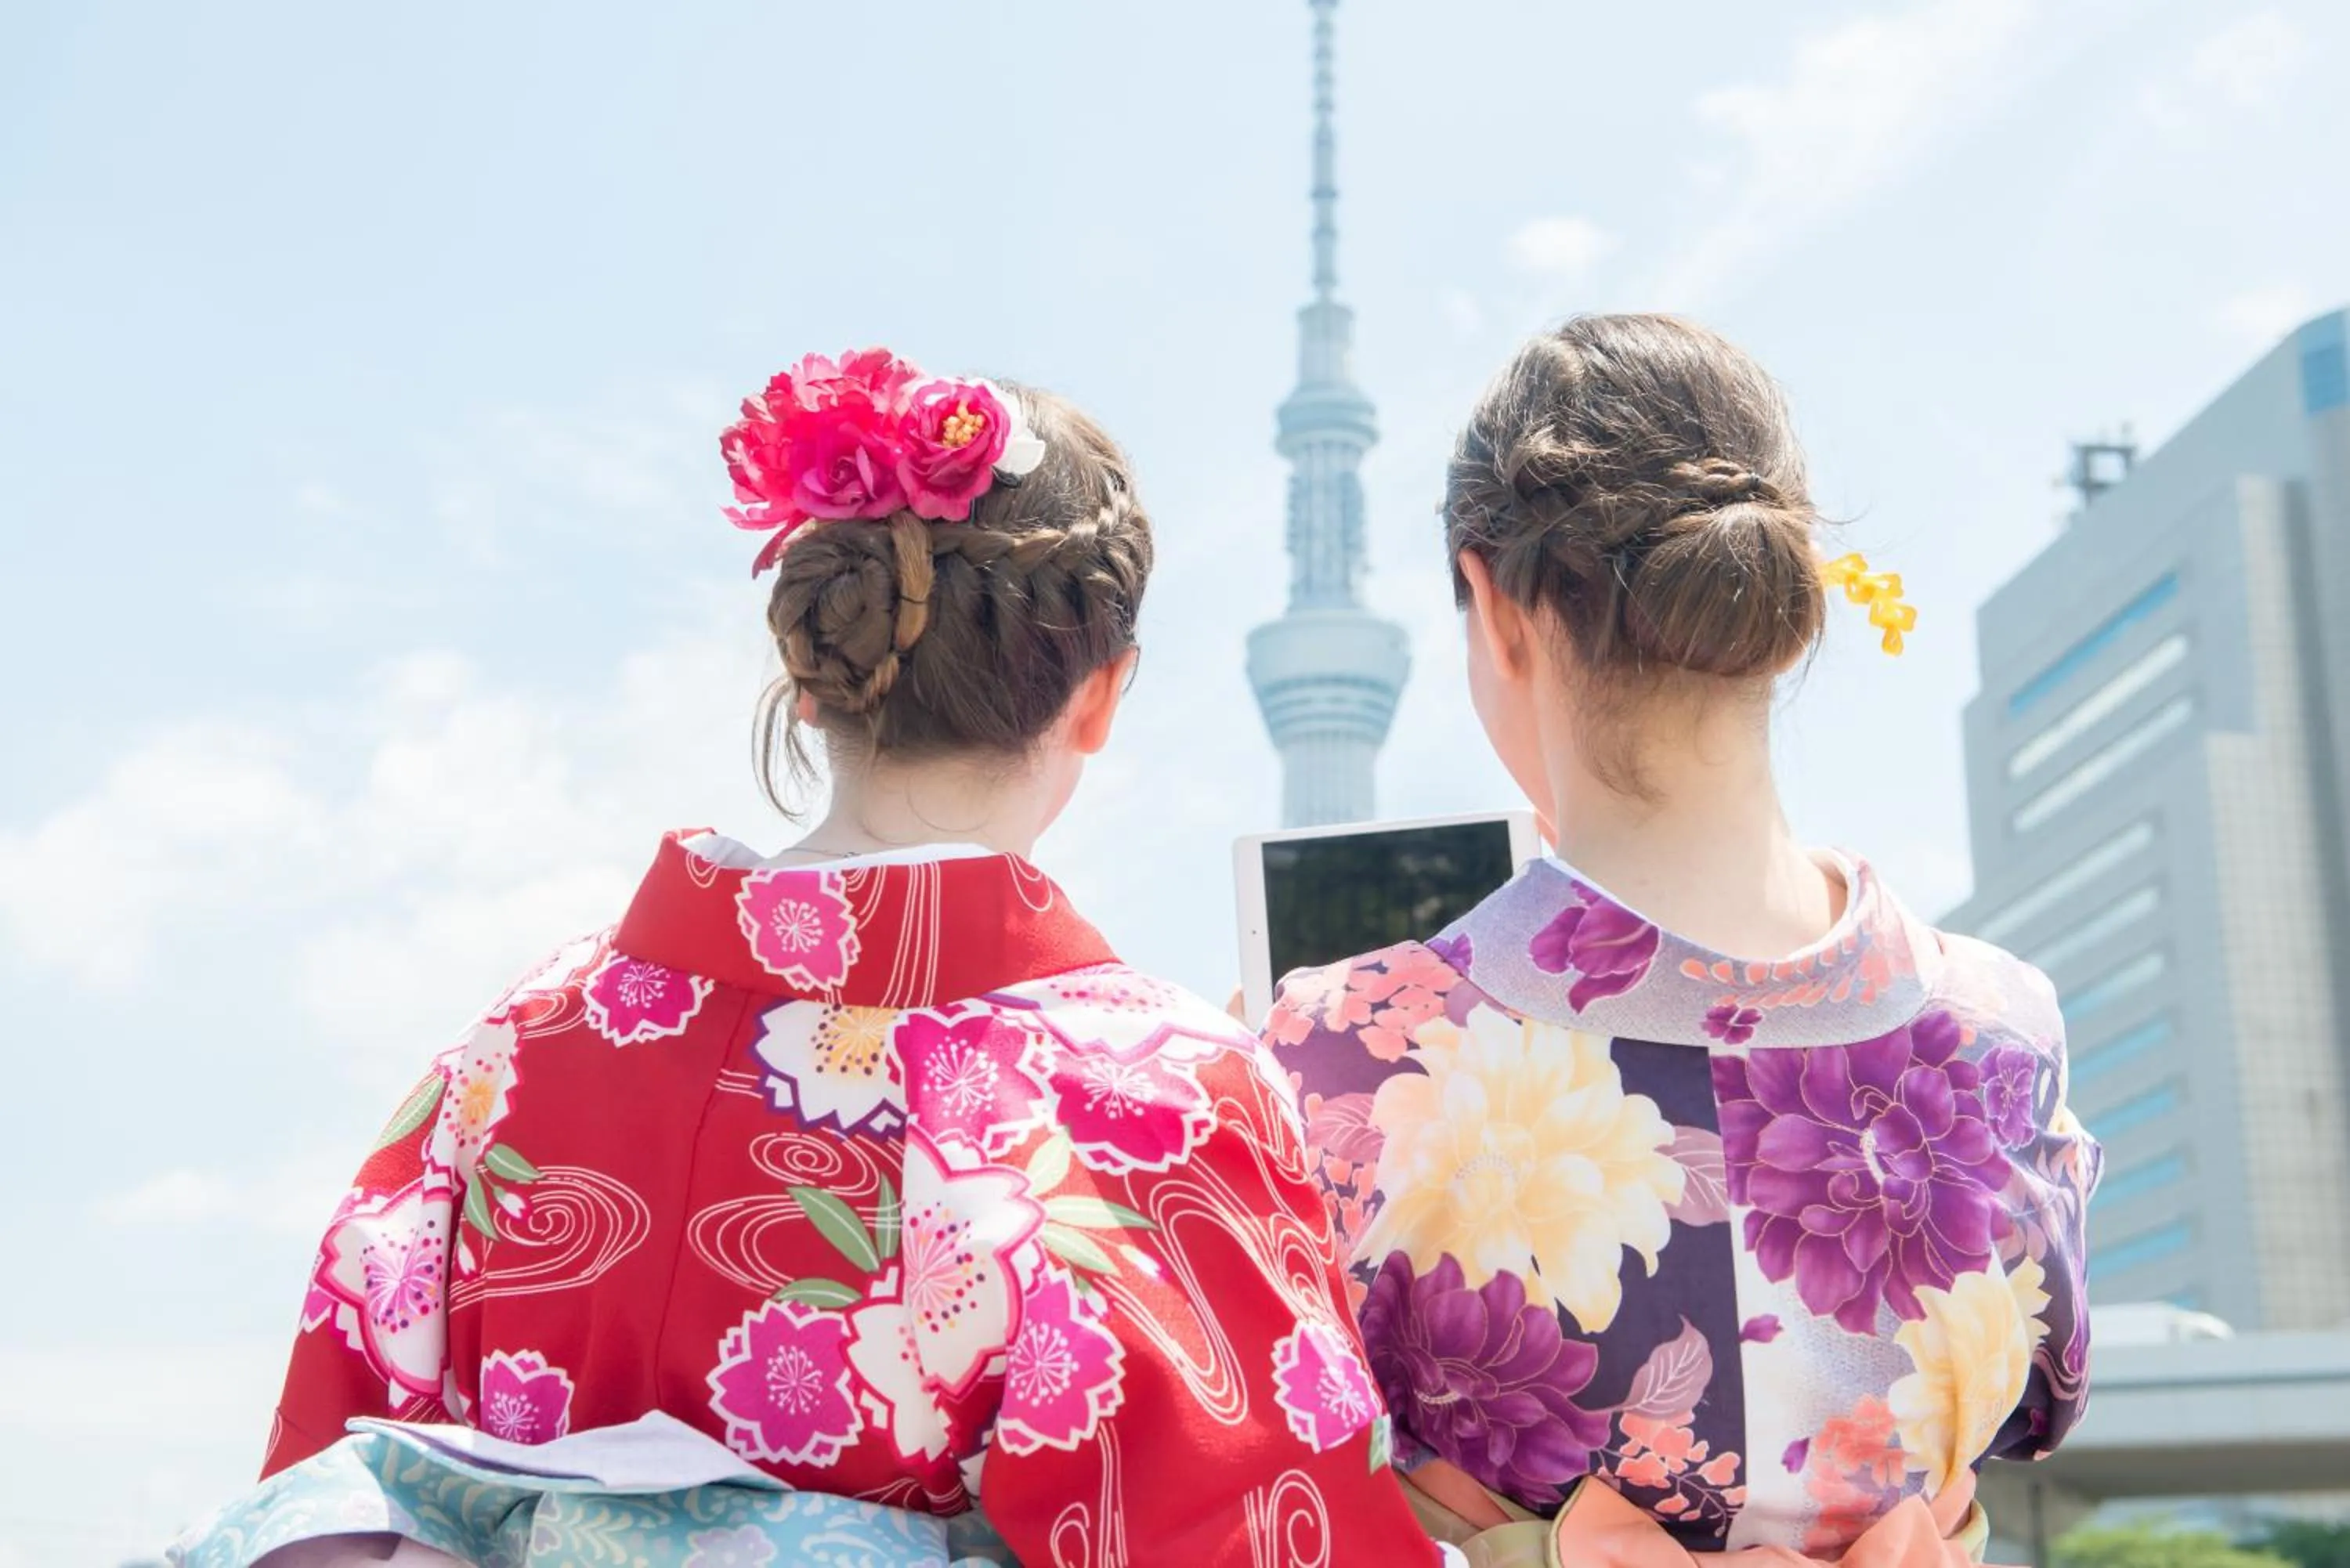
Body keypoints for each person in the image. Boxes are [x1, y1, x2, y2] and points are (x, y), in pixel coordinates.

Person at [186, 349, 1440, 1567]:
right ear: (1101, 696)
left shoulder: (525, 1041)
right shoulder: (1162, 1095)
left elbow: (335, 1482)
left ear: (812, 674)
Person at [1265, 315, 2100, 1566]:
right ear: (1781, 594)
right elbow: (2045, 1398)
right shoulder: (2001, 1034)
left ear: (1494, 607)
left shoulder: (1339, 1049)